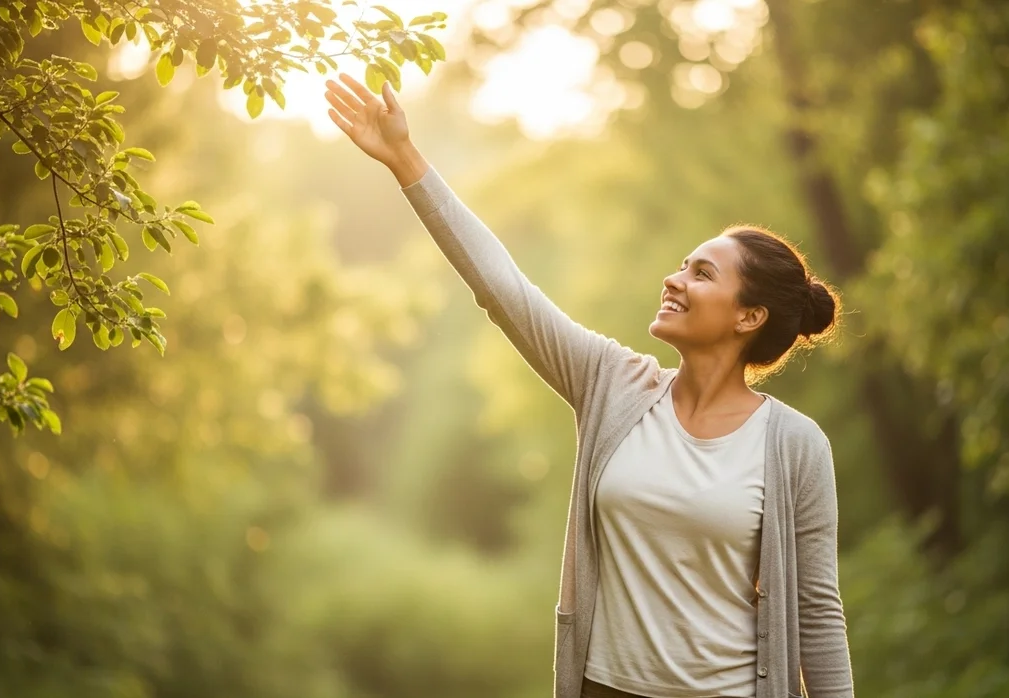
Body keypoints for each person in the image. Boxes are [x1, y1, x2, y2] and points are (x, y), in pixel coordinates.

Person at [323, 74, 854, 698]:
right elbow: (503, 289)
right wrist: (406, 161)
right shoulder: (613, 386)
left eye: (702, 273)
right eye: (682, 265)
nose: (674, 279)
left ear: (749, 315)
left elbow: (816, 612)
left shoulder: (795, 445)